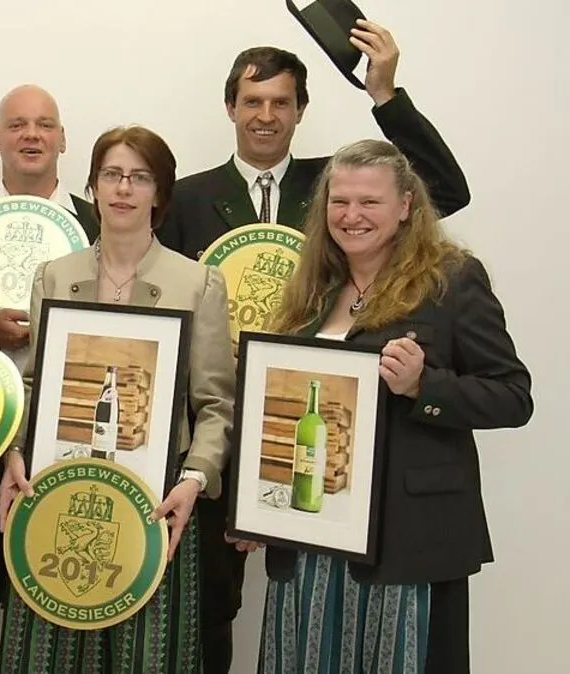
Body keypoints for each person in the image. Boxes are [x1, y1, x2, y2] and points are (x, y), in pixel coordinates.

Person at [156, 21, 472, 673]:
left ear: (301, 111)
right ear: (230, 108)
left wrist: (386, 95)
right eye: (252, 101)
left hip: (336, 455)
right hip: (226, 433)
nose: (265, 115)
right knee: (212, 608)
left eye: (280, 102)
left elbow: (445, 189)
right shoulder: (186, 198)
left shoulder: (337, 185)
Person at [259, 139, 532, 673]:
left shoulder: (452, 280)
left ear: (406, 205)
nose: (351, 216)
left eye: (369, 202)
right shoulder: (312, 286)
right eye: (340, 202)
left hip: (409, 543)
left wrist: (423, 387)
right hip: (312, 536)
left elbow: (513, 395)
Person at [0, 125, 236, 674]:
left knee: (150, 658)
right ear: (94, 185)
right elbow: (29, 383)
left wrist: (194, 480)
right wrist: (14, 451)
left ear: (160, 192)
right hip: (57, 495)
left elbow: (217, 404)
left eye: (139, 177)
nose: (124, 189)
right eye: (111, 175)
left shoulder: (197, 282)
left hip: (157, 506)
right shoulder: (56, 276)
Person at [0, 83, 100, 674]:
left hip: (67, 434)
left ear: (63, 139)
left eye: (43, 125)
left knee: (62, 589)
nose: (30, 135)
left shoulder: (99, 219)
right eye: (16, 125)